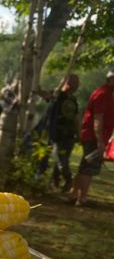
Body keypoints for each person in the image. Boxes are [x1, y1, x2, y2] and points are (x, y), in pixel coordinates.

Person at [69, 68, 114, 206]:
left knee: (84, 166)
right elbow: (97, 119)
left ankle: (73, 194)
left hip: (94, 136)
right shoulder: (103, 95)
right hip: (94, 137)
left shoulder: (106, 93)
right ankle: (82, 198)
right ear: (111, 79)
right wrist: (100, 141)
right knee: (89, 169)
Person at [47, 74, 79, 192]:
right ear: (66, 82)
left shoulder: (73, 99)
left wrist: (78, 132)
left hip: (69, 134)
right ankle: (68, 179)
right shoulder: (59, 96)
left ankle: (55, 182)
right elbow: (47, 96)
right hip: (58, 133)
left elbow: (75, 117)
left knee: (62, 158)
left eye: (77, 83)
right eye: (73, 82)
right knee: (60, 158)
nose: (76, 85)